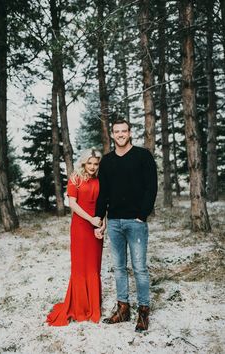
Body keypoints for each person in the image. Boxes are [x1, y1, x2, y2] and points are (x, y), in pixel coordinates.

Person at [95, 118, 157, 332]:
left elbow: (151, 187)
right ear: (112, 135)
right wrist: (99, 218)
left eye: (124, 131)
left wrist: (142, 215)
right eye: (116, 131)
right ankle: (123, 308)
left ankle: (143, 311)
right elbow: (103, 193)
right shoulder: (107, 161)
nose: (120, 134)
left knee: (139, 268)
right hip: (113, 222)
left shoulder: (143, 156)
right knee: (119, 268)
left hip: (136, 222)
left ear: (130, 133)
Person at [46, 148, 104, 326]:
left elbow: (104, 204)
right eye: (90, 163)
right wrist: (91, 219)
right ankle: (79, 308)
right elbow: (73, 205)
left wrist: (102, 224)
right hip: (80, 227)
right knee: (80, 266)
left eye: (96, 164)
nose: (93, 167)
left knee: (93, 266)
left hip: (96, 227)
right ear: (84, 163)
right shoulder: (75, 178)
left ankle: (93, 307)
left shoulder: (100, 180)